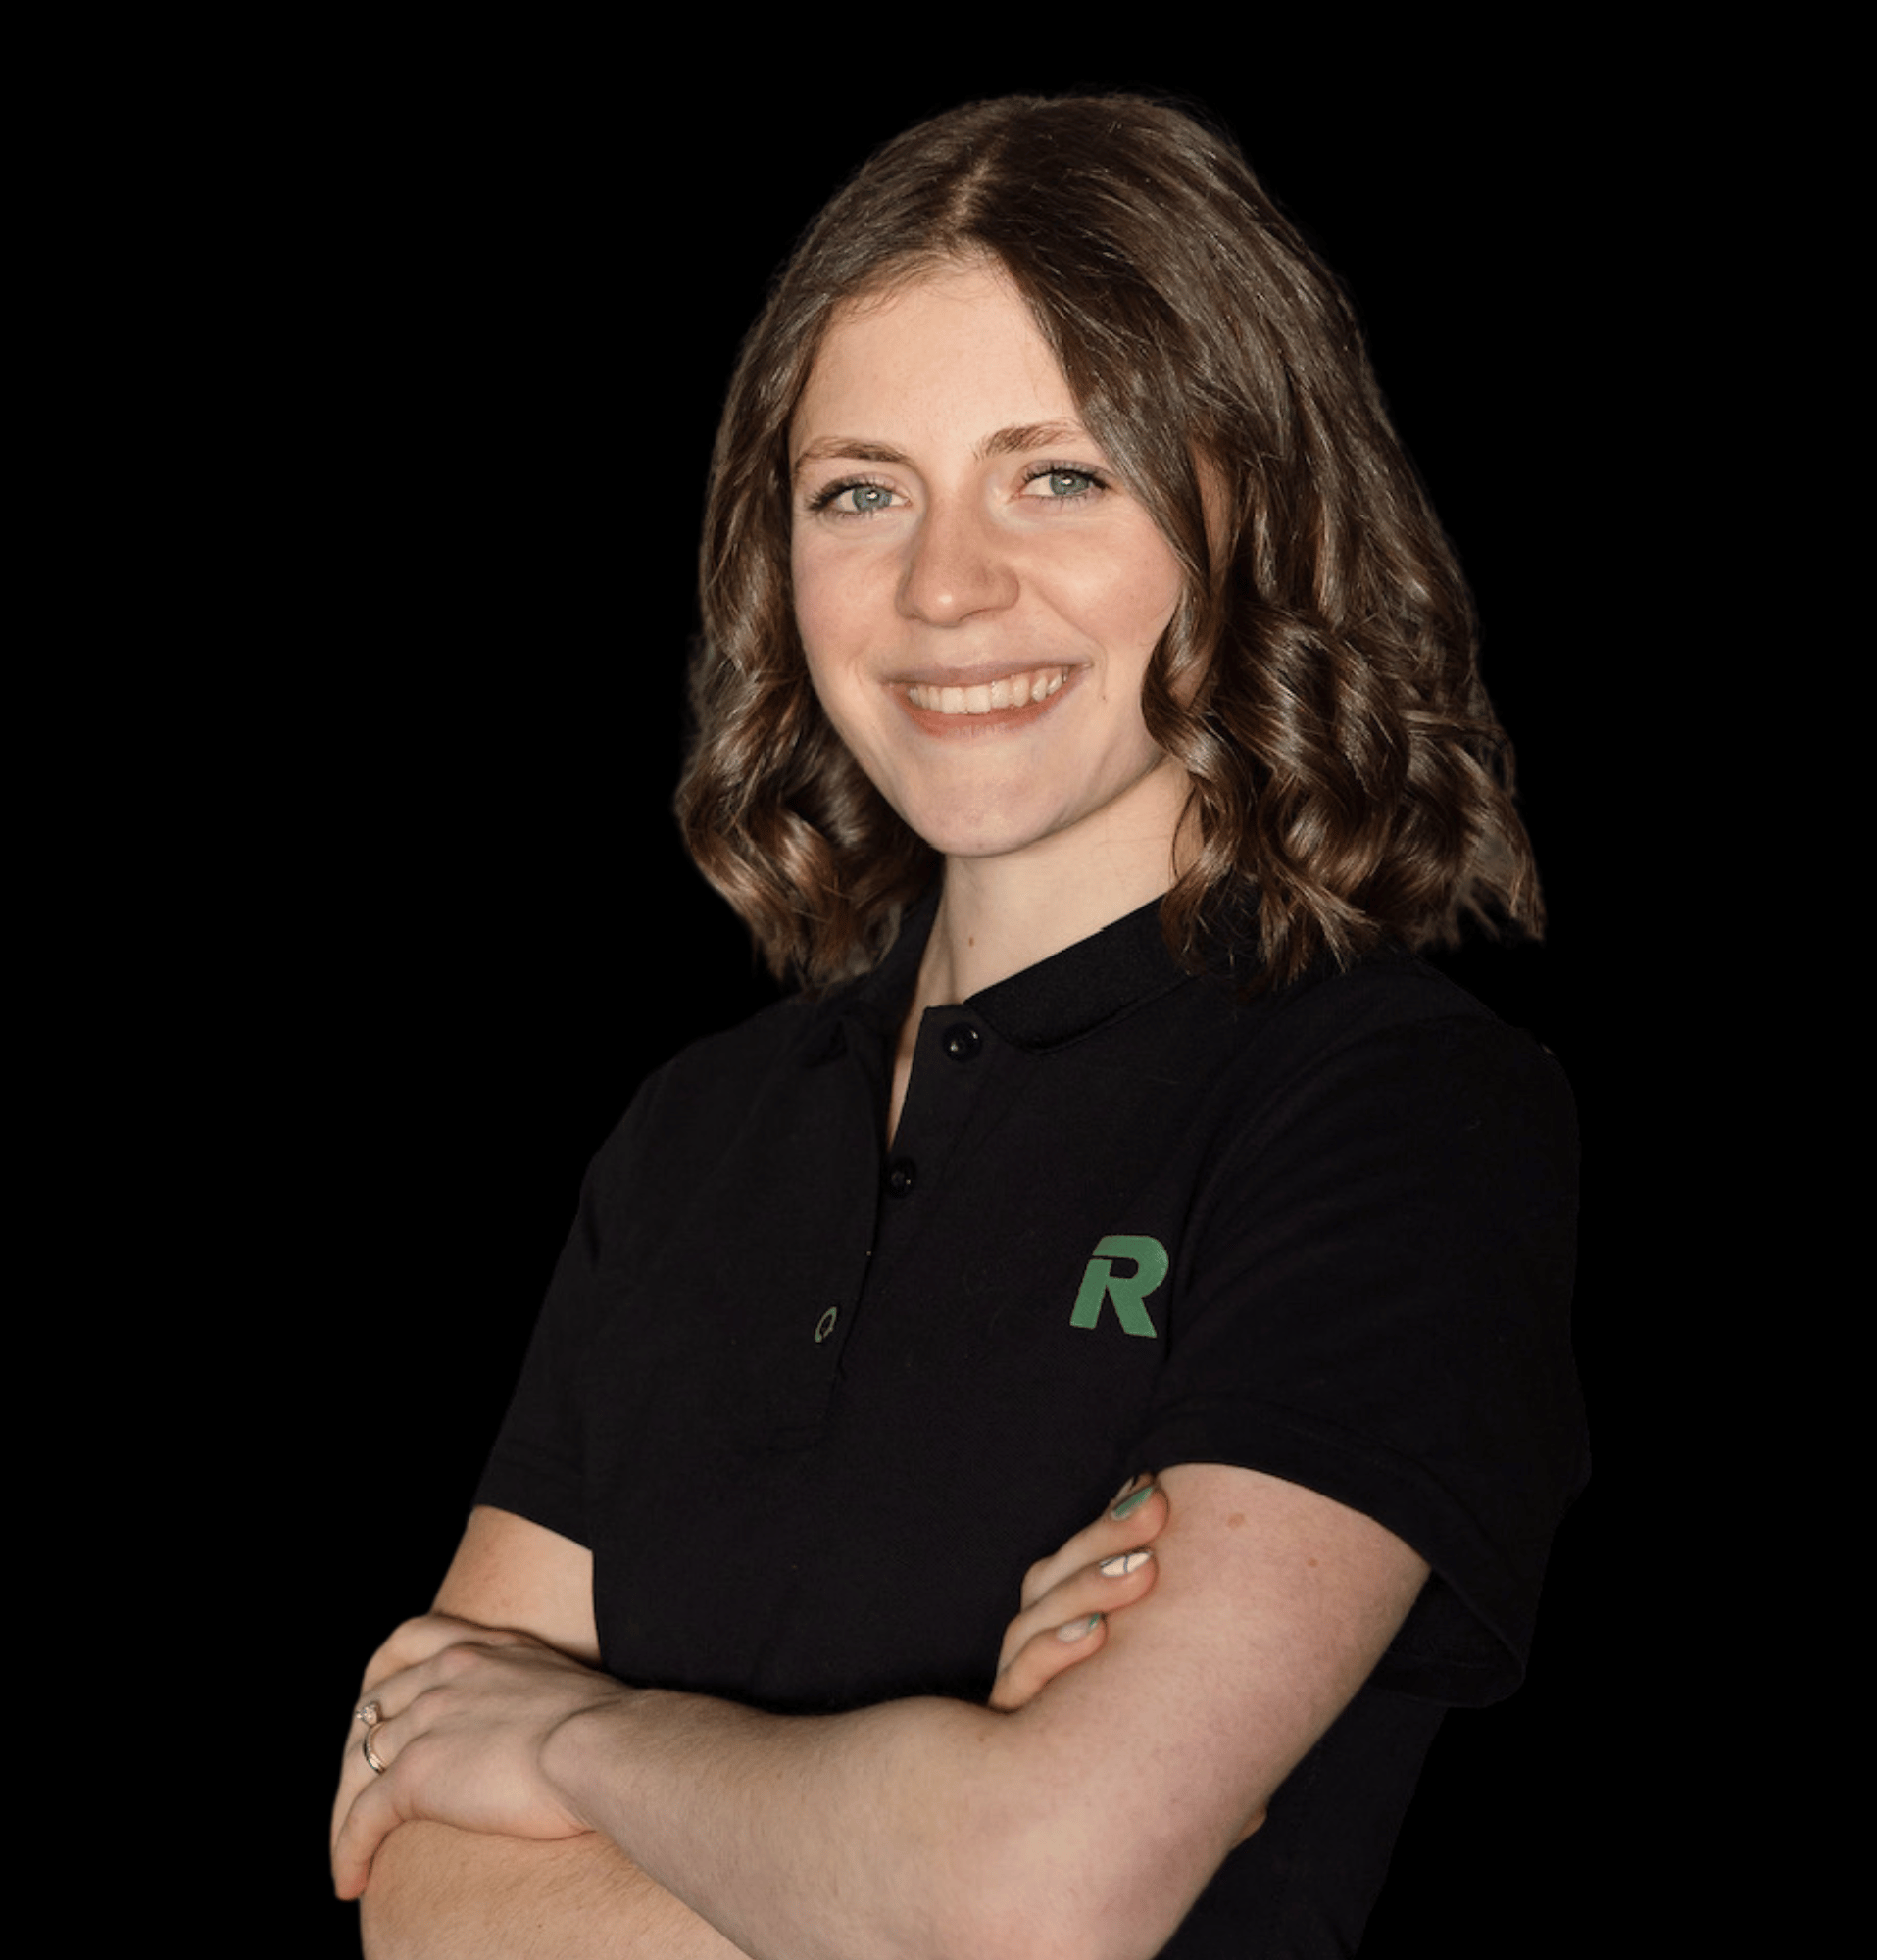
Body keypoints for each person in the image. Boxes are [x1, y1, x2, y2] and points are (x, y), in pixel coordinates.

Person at [330, 91, 1585, 1958]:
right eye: (862, 490)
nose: (941, 588)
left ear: (1253, 507)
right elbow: (417, 1889)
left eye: (1058, 474)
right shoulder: (694, 1140)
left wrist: (581, 1739)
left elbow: (1038, 1893)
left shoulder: (1391, 1111)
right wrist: (917, 1815)